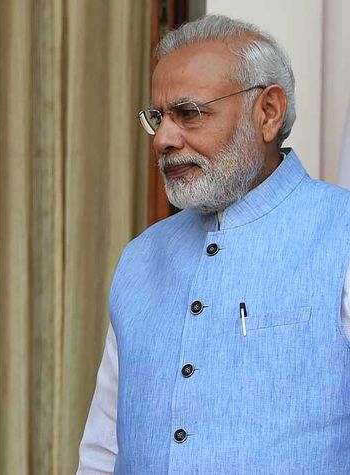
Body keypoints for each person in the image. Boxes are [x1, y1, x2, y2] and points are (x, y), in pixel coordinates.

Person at [78, 14, 350, 474]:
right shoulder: (141, 257)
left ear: (268, 113)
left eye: (189, 113)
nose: (164, 138)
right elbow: (104, 452)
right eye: (157, 117)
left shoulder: (340, 234)